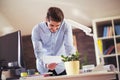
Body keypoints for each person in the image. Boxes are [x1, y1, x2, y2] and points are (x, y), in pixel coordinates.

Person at [31, 7, 76, 76]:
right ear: (46, 19)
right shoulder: (37, 30)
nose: (54, 29)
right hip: (44, 67)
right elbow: (38, 51)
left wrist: (72, 61)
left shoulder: (66, 26)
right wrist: (46, 64)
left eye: (58, 26)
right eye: (51, 25)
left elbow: (69, 46)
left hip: (61, 66)